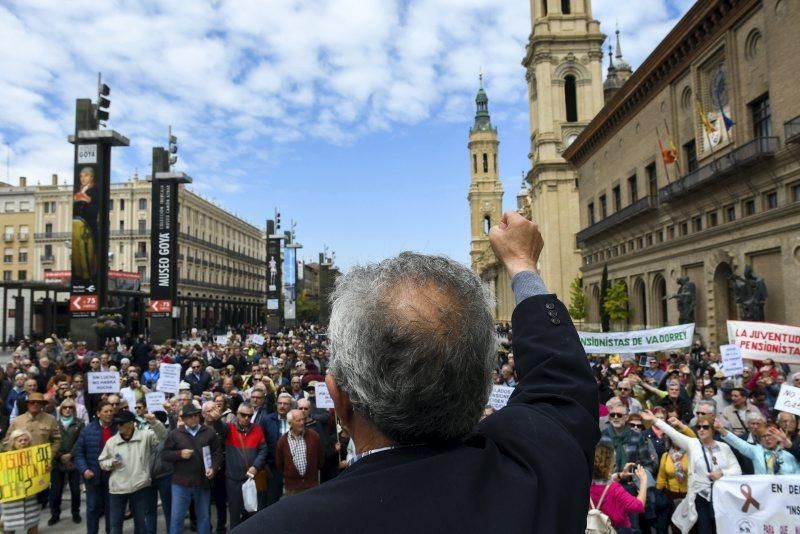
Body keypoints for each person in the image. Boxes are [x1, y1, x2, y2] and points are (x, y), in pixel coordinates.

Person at [234, 212, 598, 532]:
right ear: (481, 383)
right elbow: (561, 383)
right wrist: (522, 265)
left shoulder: (282, 525)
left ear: (339, 400)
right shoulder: (539, 474)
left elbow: (560, 382)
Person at [641, 411, 740, 533]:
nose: (701, 430)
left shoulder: (724, 448)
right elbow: (672, 432)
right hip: (701, 496)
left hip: (722, 496)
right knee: (705, 530)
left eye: (705, 427)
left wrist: (722, 473)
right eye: (698, 427)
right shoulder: (693, 444)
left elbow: (737, 470)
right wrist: (655, 420)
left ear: (713, 429)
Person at [98, 409, 166, 534]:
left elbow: (163, 437)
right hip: (117, 489)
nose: (118, 426)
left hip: (140, 486)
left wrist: (155, 423)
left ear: (131, 423)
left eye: (121, 423)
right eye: (117, 423)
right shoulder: (111, 442)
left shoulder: (146, 436)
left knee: (141, 525)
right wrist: (111, 463)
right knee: (115, 526)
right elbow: (102, 462)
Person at [162, 404, 223, 534]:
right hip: (181, 484)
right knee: (177, 518)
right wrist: (179, 454)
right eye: (190, 416)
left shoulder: (209, 432)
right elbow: (165, 454)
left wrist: (213, 468)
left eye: (196, 415)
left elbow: (217, 452)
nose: (194, 418)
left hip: (202, 482)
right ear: (183, 419)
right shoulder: (175, 434)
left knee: (204, 518)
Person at [216, 402, 267, 528]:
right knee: (234, 514)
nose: (246, 418)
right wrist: (216, 418)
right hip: (233, 480)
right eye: (243, 415)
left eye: (250, 416)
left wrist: (255, 466)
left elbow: (263, 450)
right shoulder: (229, 428)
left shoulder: (258, 429)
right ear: (237, 414)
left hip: (252, 479)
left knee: (252, 512)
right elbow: (219, 427)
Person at [74, 401, 116, 534]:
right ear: (98, 413)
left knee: (111, 509)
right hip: (93, 475)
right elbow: (79, 453)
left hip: (113, 475)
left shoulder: (118, 429)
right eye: (106, 411)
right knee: (93, 508)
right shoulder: (88, 430)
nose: (109, 414)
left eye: (111, 411)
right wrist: (84, 469)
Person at [590, 439, 647, 533]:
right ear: (609, 464)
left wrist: (620, 475)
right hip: (616, 529)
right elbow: (638, 506)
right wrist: (643, 481)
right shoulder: (615, 489)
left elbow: (601, 481)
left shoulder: (585, 484)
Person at [716, 419, 800, 475]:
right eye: (763, 436)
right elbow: (738, 443)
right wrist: (722, 430)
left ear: (777, 437)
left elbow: (797, 475)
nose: (767, 439)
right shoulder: (756, 451)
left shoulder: (789, 455)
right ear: (759, 440)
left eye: (770, 435)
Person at [48, 399, 84, 526]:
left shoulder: (79, 423)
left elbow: (80, 441)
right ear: (61, 409)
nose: (67, 409)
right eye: (65, 407)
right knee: (56, 490)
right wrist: (59, 456)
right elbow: (51, 441)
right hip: (57, 461)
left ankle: (75, 513)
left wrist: (70, 454)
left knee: (75, 490)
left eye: (70, 407)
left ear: (73, 409)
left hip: (73, 461)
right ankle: (55, 514)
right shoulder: (54, 423)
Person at [0, 430, 43, 534]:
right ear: (13, 442)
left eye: (25, 440)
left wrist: (45, 469)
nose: (23, 442)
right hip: (11, 498)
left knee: (33, 523)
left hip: (31, 497)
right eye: (20, 440)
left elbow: (40, 475)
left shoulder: (35, 456)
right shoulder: (5, 458)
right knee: (9, 526)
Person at [275, 409, 323, 496]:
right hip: (292, 488)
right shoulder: (282, 441)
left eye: (303, 419)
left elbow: (320, 459)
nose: (302, 423)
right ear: (290, 423)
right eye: (298, 420)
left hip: (311, 485)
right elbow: (280, 464)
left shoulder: (314, 436)